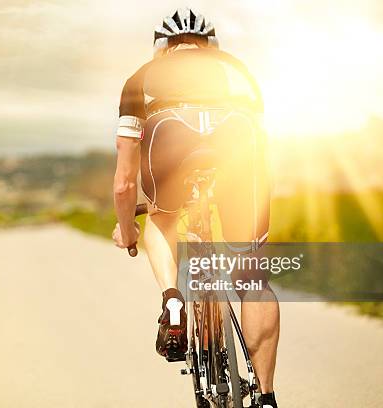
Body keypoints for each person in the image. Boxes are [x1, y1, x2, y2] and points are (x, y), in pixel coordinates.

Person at [111, 7, 280, 408]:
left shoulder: (140, 79)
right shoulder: (238, 73)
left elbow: (123, 184)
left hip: (168, 140)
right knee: (253, 280)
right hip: (236, 142)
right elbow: (262, 154)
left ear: (161, 48)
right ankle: (267, 397)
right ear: (212, 47)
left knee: (162, 216)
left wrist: (128, 227)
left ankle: (172, 299)